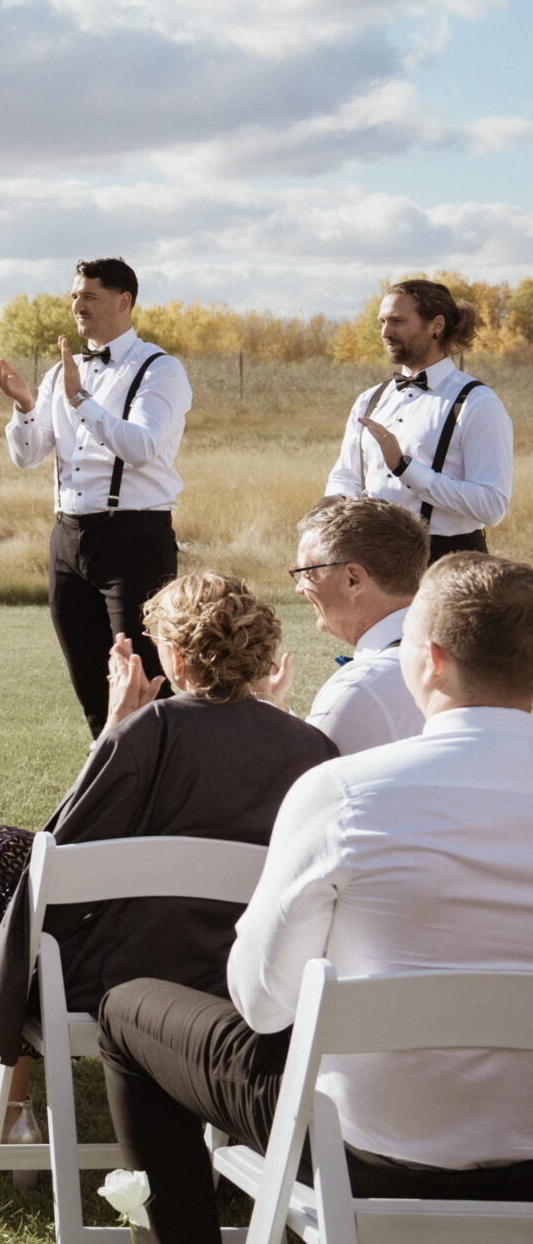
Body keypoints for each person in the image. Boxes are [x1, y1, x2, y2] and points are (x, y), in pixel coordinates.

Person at [95, 554, 533, 1243]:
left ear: (432, 660)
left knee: (125, 1012)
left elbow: (263, 1001)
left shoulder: (346, 793)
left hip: (366, 1156)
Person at [0, 574, 335, 1148]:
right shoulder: (313, 748)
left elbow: (55, 865)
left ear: (179, 659)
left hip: (121, 978)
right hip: (250, 972)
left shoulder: (151, 732)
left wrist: (114, 729)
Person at [0, 258, 194, 737]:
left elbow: (141, 447)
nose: (77, 306)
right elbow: (29, 456)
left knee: (145, 680)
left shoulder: (159, 369)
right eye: (74, 296)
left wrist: (81, 399)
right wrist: (24, 405)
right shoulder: (62, 373)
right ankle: (109, 787)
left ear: (123, 302)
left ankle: (159, 798)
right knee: (88, 680)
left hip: (133, 538)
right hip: (67, 537)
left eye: (89, 296)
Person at [321, 277, 512, 561]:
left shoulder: (477, 403)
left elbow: (492, 506)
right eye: (382, 321)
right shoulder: (369, 400)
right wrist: (332, 504)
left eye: (397, 321)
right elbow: (346, 478)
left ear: (436, 326)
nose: (386, 332)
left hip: (451, 563)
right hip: (375, 559)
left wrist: (405, 468)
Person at [279, 498, 428, 754]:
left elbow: (299, 777)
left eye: (307, 572)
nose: (299, 588)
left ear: (353, 579)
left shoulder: (358, 688)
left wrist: (257, 701)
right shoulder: (463, 661)